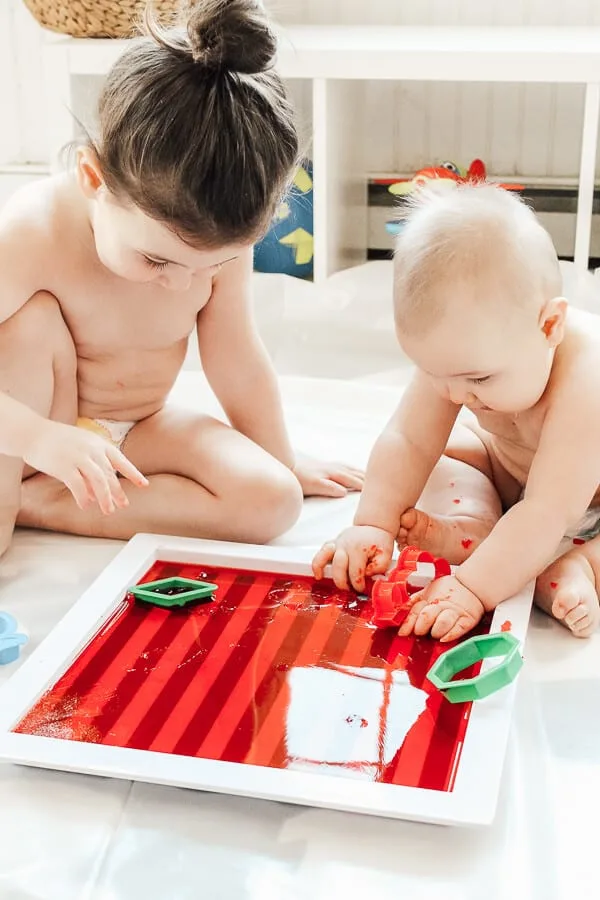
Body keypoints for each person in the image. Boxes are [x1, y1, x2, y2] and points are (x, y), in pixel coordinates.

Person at [0, 0, 363, 557]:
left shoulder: (212, 239)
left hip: (140, 428)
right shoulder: (31, 232)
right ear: (94, 178)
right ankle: (23, 493)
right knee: (29, 324)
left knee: (273, 498)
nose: (181, 284)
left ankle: (46, 505)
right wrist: (37, 437)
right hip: (23, 435)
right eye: (157, 261)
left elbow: (235, 359)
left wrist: (280, 457)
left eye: (212, 265)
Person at [313, 182, 600, 640]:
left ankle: (579, 565)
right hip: (512, 471)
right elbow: (408, 439)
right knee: (443, 457)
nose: (455, 395)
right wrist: (373, 524)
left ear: (550, 326)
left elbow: (549, 510)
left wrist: (471, 587)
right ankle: (476, 530)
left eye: (479, 380)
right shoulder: (457, 361)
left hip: (580, 497)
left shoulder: (588, 376)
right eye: (434, 374)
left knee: (545, 527)